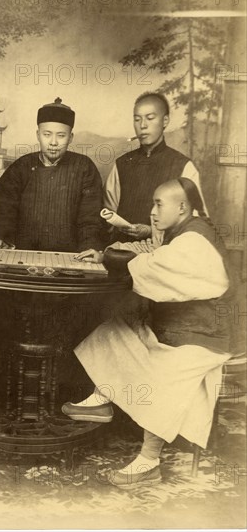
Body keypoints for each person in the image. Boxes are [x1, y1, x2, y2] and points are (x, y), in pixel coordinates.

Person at [62, 178, 235, 489]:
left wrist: (120, 260)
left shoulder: (195, 240)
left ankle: (149, 461)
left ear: (182, 207)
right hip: (182, 326)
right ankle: (104, 397)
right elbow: (149, 252)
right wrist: (105, 255)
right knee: (112, 330)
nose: (152, 212)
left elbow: (156, 264)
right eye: (153, 204)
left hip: (207, 335)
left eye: (159, 204)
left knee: (162, 374)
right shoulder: (180, 231)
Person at [0, 98, 105, 252]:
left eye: (61, 136)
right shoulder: (21, 167)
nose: (53, 142)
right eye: (47, 134)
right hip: (22, 253)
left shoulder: (84, 167)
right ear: (38, 135)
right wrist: (2, 238)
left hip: (71, 256)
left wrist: (90, 248)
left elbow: (90, 218)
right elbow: (3, 210)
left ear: (71, 138)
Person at [103, 92, 207, 243]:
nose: (143, 125)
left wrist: (151, 231)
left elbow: (195, 223)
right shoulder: (122, 163)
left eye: (150, 118)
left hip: (164, 254)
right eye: (137, 119)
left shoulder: (183, 165)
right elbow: (108, 213)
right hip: (121, 250)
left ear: (165, 120)